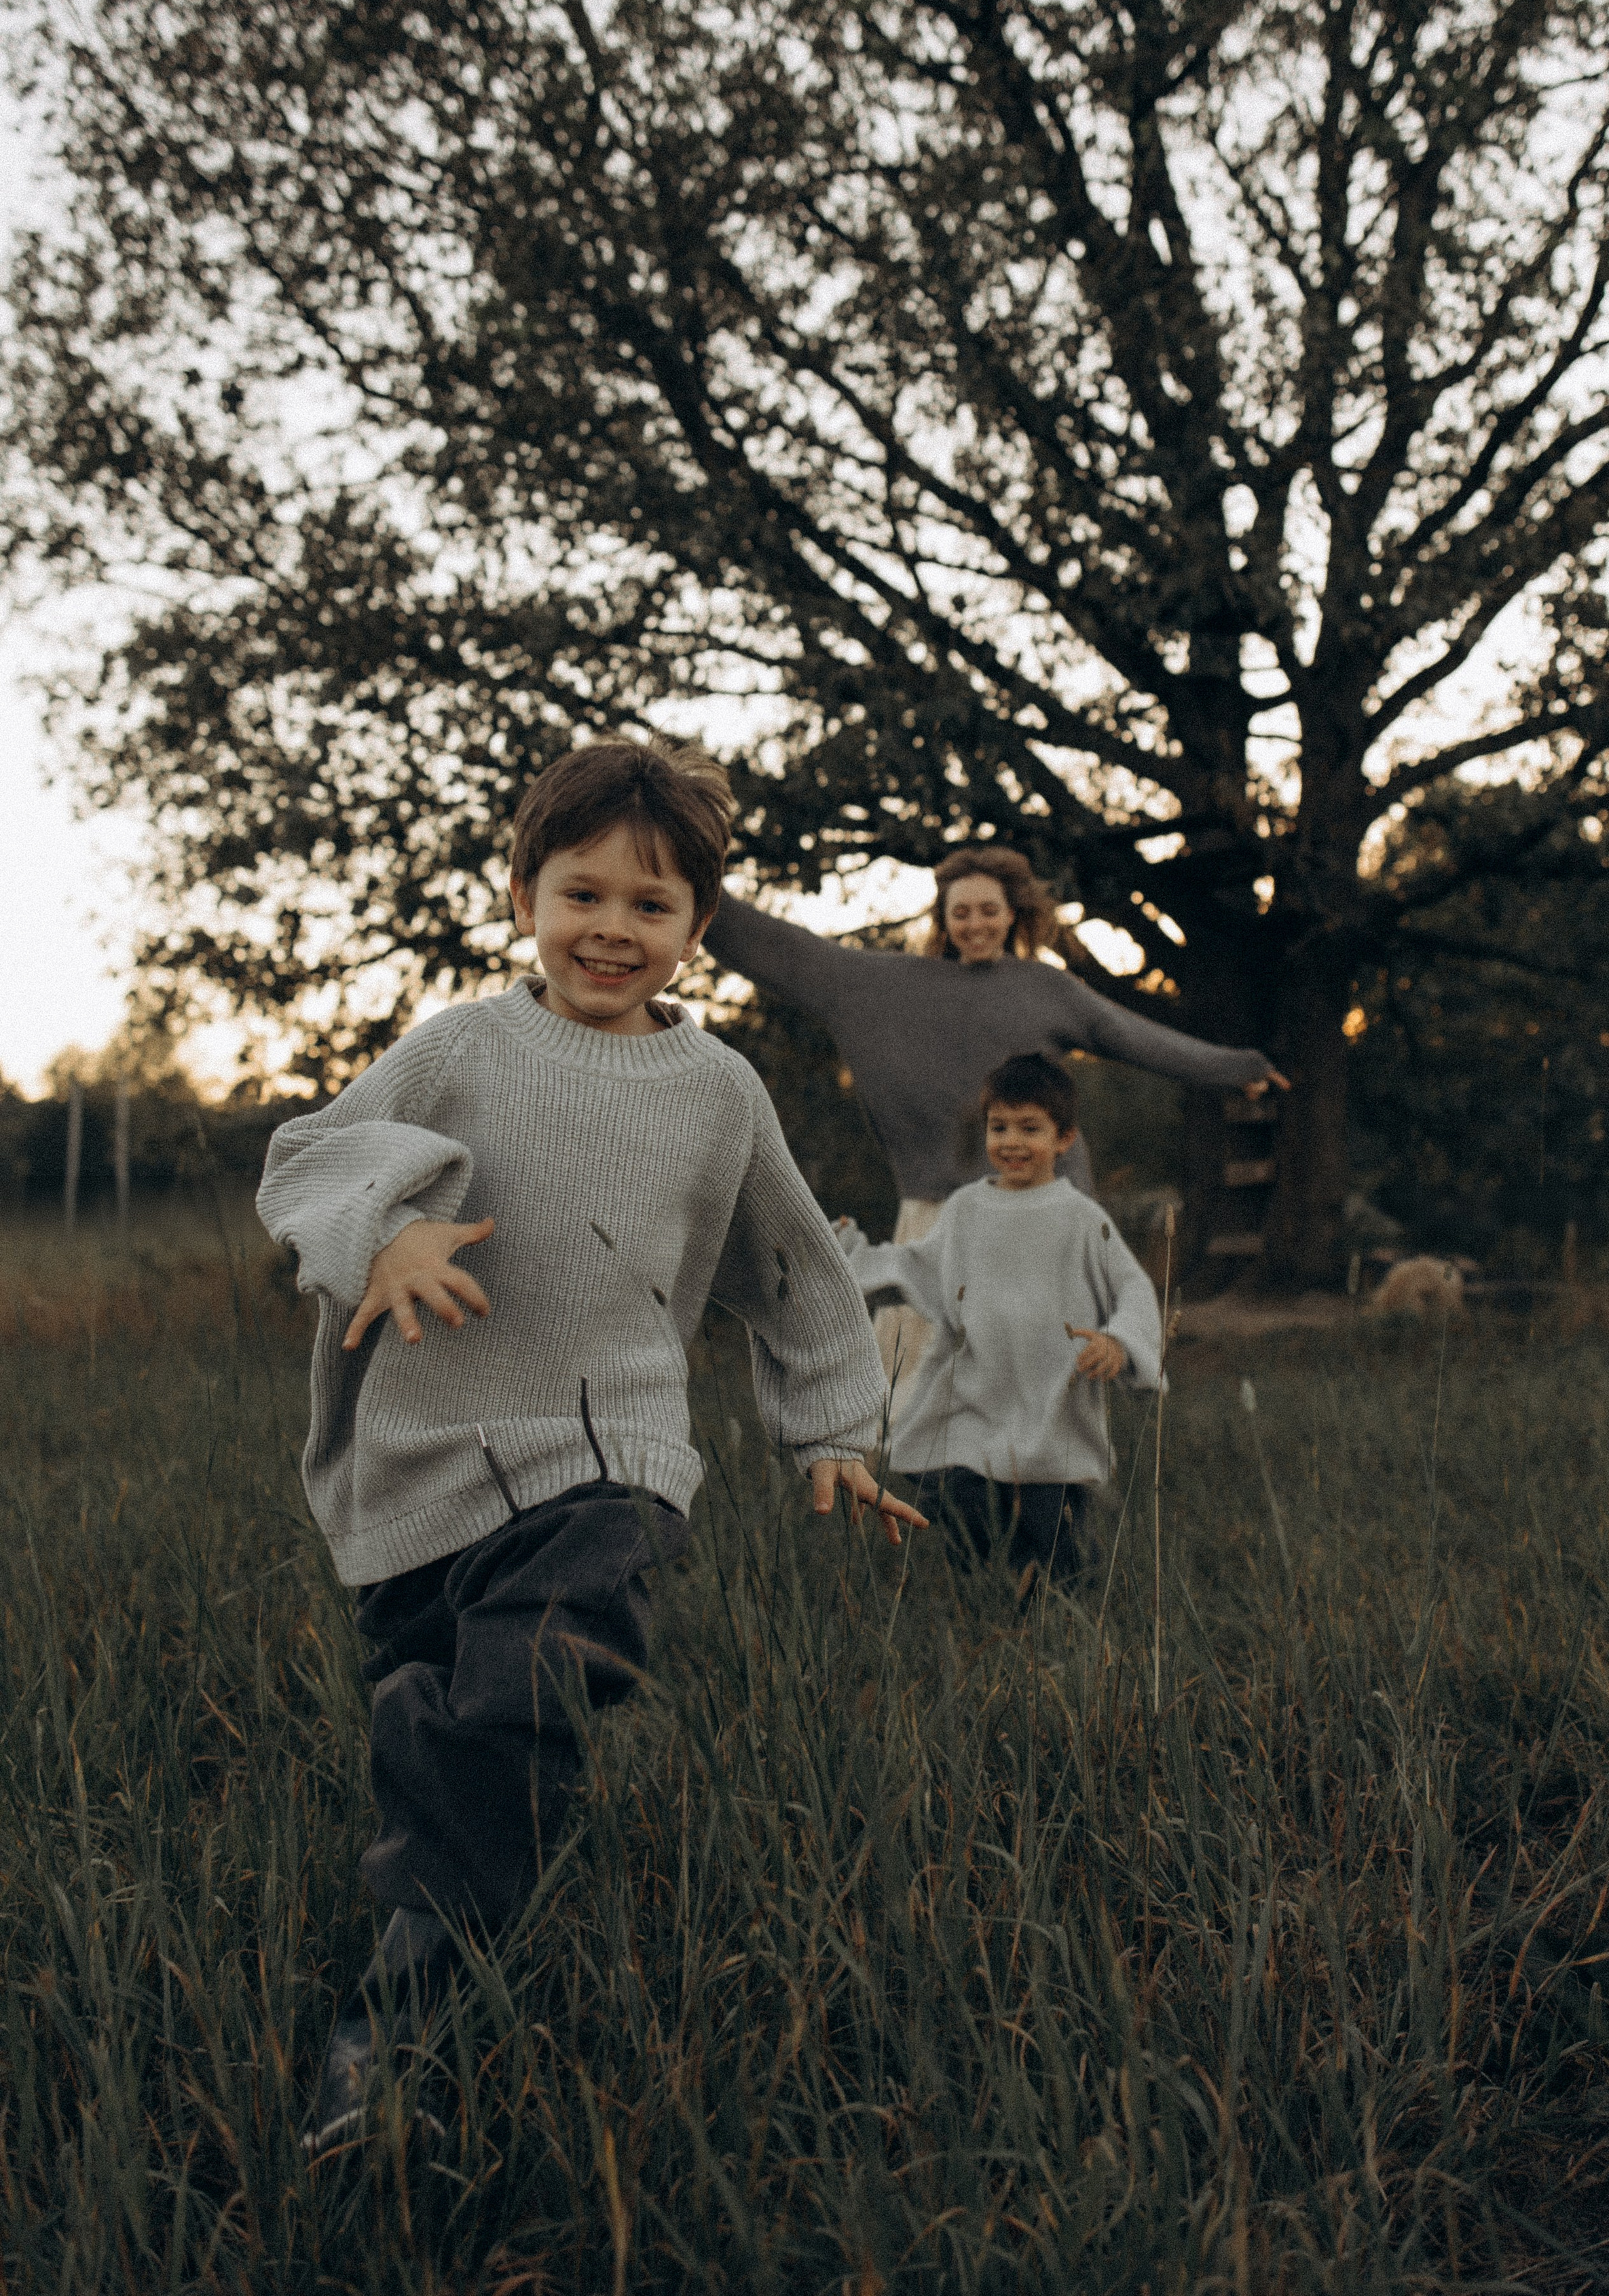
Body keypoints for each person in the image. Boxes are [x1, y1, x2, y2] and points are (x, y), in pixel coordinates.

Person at [257, 735, 924, 2156]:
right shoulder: (460, 1048)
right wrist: (391, 1231)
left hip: (610, 1453)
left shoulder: (718, 1093)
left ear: (696, 929)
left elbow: (796, 1270)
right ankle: (460, 1887)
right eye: (583, 894)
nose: (612, 929)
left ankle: (391, 2038)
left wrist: (833, 1427)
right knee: (460, 1726)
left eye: (652, 905)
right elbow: (315, 1159)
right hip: (425, 1456)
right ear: (522, 896)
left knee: (538, 1672)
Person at [705, 843, 1280, 1396]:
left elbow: (1134, 1037)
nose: (975, 924)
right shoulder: (882, 986)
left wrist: (1235, 1067)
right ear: (944, 918)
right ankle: (929, 1493)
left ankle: (1047, 1489)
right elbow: (783, 949)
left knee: (1042, 1376)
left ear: (1013, 914)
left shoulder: (1048, 989)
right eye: (962, 912)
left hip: (1044, 1209)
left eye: (989, 911)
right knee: (916, 1387)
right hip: (941, 1212)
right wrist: (698, 885)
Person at [834, 1052, 1162, 1593]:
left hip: (1053, 1399)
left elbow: (1131, 1286)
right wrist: (848, 1252)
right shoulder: (966, 1209)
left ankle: (1062, 1609)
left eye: (1030, 1129)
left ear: (1065, 1139)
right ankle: (978, 1598)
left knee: (1054, 1533)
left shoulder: (1081, 1218)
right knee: (964, 1508)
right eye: (999, 1127)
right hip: (975, 1394)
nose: (1011, 1142)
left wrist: (1120, 1341)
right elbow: (917, 1266)